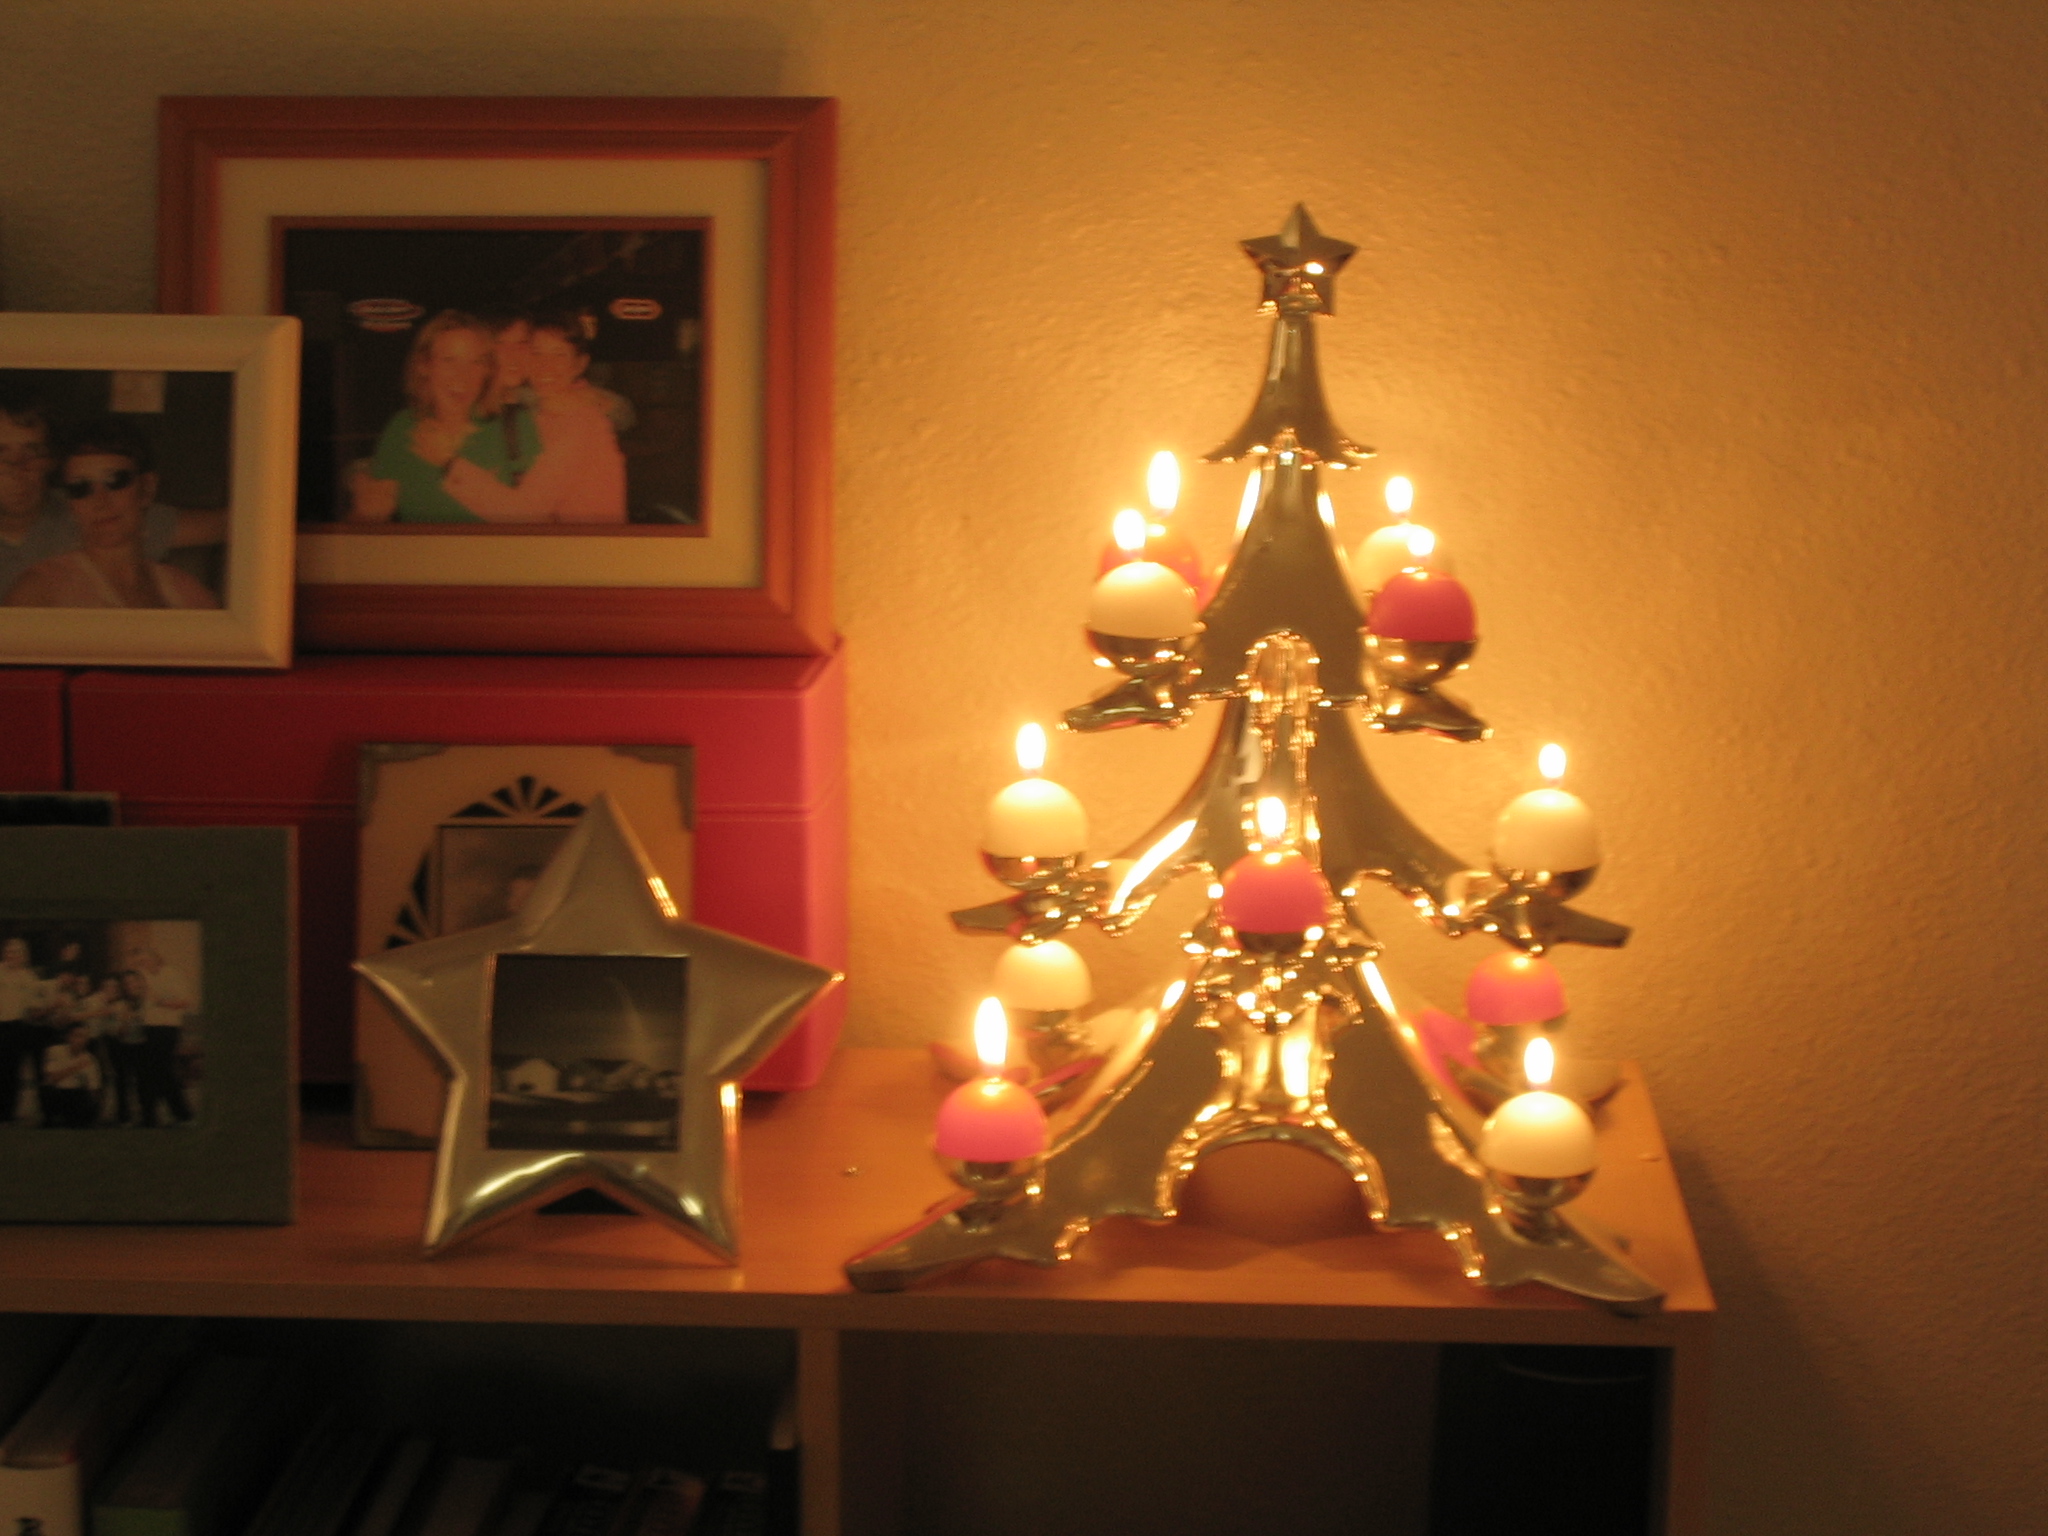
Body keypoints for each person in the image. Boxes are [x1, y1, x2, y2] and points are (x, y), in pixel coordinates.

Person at [0, 394, 224, 597]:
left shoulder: (84, 504)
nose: (17, 469)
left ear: (50, 460)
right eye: (1, 452)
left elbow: (223, 526)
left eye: (32, 451)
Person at [347, 311, 539, 524]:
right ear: (424, 365)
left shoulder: (516, 426)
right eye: (449, 360)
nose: (463, 375)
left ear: (487, 370)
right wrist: (364, 513)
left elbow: (534, 521)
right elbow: (367, 524)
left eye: (476, 362)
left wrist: (449, 463)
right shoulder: (403, 428)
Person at [440, 315, 627, 524]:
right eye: (537, 352)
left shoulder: (578, 423)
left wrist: (448, 464)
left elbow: (525, 512)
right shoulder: (539, 409)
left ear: (580, 364)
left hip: (585, 543)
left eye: (559, 355)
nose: (545, 365)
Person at [128, 946, 196, 1127]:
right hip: (146, 1028)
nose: (142, 964)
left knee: (163, 1071)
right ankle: (152, 1116)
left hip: (167, 1028)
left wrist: (161, 1002)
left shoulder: (172, 973)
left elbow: (185, 1001)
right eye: (139, 962)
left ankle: (181, 1113)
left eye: (145, 960)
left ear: (155, 958)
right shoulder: (141, 976)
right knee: (147, 1073)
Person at [0, 936, 47, 1125]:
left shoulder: (29, 978)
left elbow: (34, 1008)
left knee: (12, 1071)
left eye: (17, 952)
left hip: (18, 1027)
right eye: (9, 951)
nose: (12, 955)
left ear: (24, 955)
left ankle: (7, 1114)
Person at [38, 1023, 101, 1128]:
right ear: (68, 1037)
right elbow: (51, 1078)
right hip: (58, 1093)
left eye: (84, 1037)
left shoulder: (90, 1059)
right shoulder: (55, 1051)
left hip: (76, 1095)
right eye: (78, 1036)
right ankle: (51, 1119)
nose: (81, 1040)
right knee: (46, 1090)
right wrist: (76, 1067)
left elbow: (93, 1088)